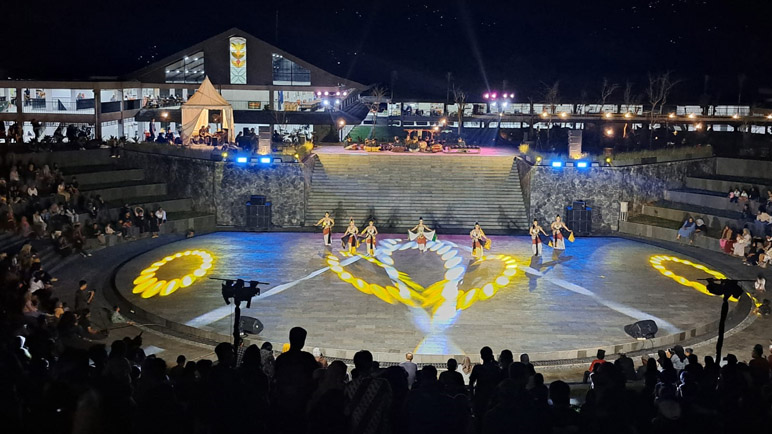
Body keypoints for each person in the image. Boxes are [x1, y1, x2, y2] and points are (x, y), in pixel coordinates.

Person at [272, 327, 318, 434]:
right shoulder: (308, 359)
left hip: (282, 405)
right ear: (302, 342)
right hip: (301, 406)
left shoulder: (281, 359)